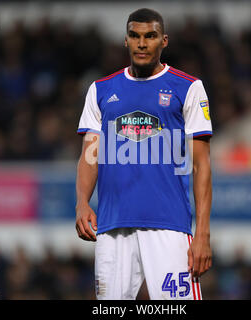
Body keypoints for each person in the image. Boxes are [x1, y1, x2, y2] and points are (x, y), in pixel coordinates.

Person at [75, 8, 213, 300]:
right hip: (112, 227)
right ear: (125, 40)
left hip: (169, 227)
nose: (141, 43)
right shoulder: (100, 90)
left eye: (150, 36)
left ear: (164, 41)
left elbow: (201, 165)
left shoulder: (188, 88)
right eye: (135, 36)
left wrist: (202, 233)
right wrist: (82, 203)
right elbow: (89, 156)